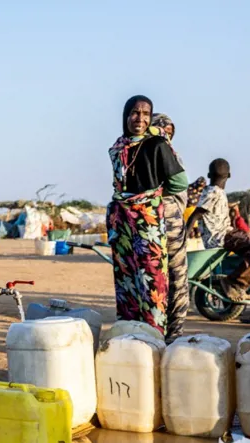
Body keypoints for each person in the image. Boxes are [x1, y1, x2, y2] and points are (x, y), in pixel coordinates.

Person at [106, 96, 187, 335]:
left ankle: (159, 334)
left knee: (154, 277)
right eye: (134, 113)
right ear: (125, 116)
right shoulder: (118, 147)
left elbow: (179, 182)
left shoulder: (158, 146)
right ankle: (131, 331)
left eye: (145, 114)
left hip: (150, 220)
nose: (139, 118)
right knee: (127, 276)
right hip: (123, 222)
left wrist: (151, 197)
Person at [186, 159, 250, 302]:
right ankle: (235, 283)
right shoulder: (213, 193)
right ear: (229, 175)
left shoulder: (216, 192)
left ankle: (238, 282)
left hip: (223, 234)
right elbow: (196, 214)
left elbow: (209, 211)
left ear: (209, 174)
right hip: (222, 236)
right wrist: (183, 237)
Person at [151, 113, 188, 341]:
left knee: (154, 281)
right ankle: (172, 335)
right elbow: (179, 184)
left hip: (149, 222)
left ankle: (154, 334)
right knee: (176, 281)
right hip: (169, 219)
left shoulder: (134, 152)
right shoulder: (167, 154)